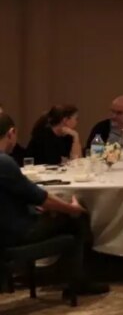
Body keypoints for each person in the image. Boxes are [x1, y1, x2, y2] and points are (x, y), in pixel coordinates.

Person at [0, 113, 108, 297]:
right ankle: (78, 281)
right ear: (11, 132)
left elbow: (16, 195)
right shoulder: (4, 162)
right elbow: (42, 198)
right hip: (18, 233)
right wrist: (72, 209)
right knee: (78, 217)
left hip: (6, 229)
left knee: (61, 214)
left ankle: (67, 274)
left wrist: (37, 206)